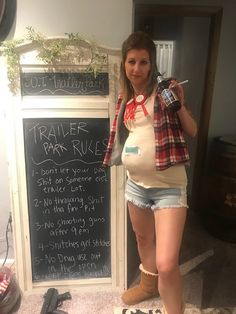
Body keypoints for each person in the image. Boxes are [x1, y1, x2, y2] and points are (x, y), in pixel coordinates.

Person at [103, 31, 197, 314]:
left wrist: (178, 106)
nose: (137, 68)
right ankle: (147, 286)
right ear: (124, 64)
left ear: (152, 63)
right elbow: (129, 135)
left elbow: (192, 130)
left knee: (168, 263)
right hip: (136, 185)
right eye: (131, 61)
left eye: (143, 62)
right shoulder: (126, 98)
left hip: (169, 187)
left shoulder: (166, 90)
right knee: (143, 240)